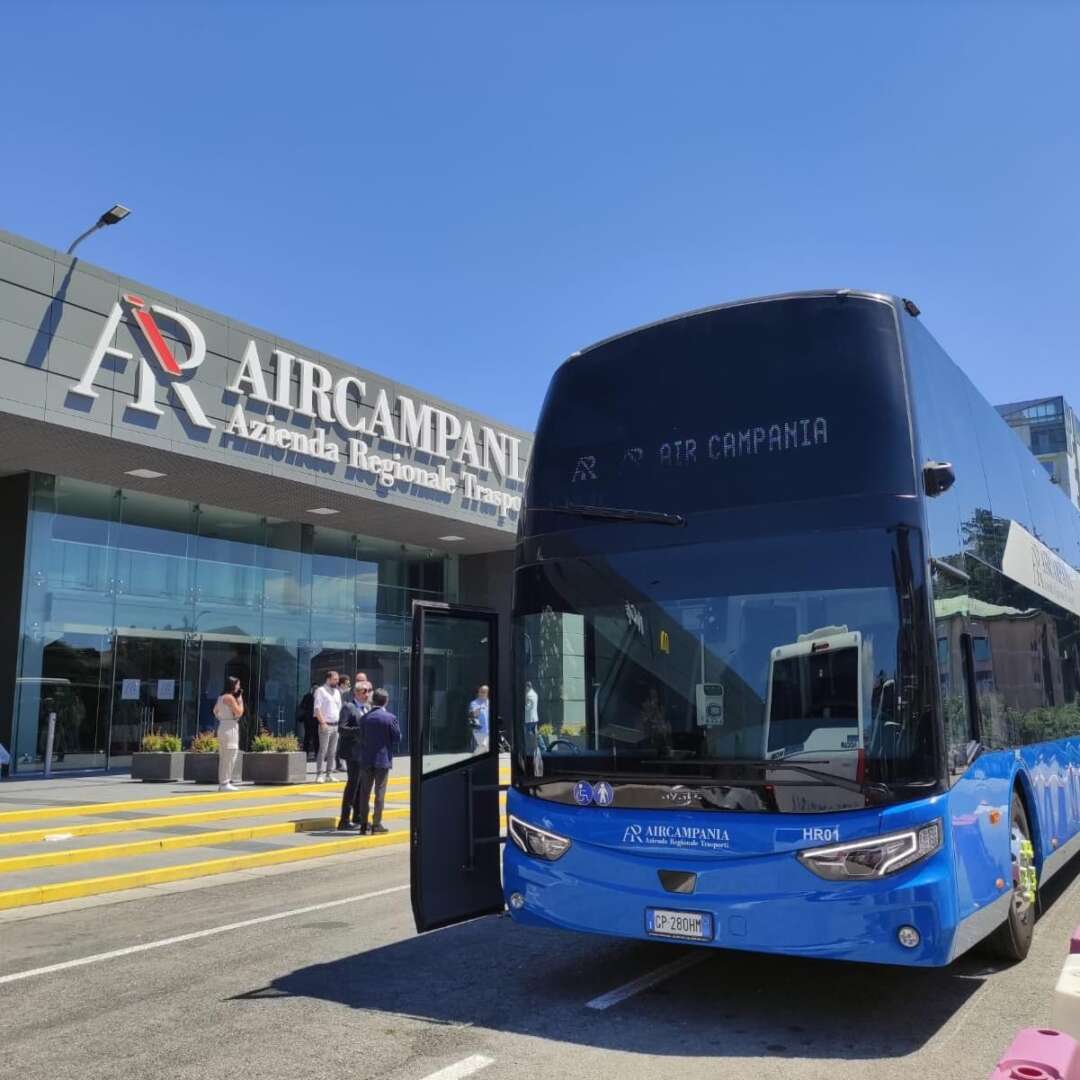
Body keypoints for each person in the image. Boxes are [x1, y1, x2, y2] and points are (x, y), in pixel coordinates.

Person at [353, 688, 400, 834]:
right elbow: (397, 738)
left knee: (364, 793)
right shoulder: (390, 718)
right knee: (380, 792)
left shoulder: (365, 718)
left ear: (373, 701)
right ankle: (376, 824)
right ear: (386, 701)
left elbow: (360, 737)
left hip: (366, 759)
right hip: (383, 759)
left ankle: (363, 824)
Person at [336, 675, 374, 830]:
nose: (368, 694)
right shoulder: (348, 707)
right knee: (353, 784)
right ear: (357, 693)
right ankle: (344, 820)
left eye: (369, 691)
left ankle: (357, 816)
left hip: (364, 752)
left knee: (361, 785)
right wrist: (359, 730)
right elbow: (342, 728)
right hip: (352, 752)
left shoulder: (367, 708)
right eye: (365, 691)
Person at [214, 676, 244, 792]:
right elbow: (239, 712)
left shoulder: (221, 697)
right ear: (232, 685)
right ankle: (225, 782)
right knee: (230, 755)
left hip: (223, 725)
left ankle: (224, 782)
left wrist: (222, 717)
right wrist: (240, 700)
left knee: (225, 755)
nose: (238, 687)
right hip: (230, 727)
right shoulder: (230, 697)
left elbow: (215, 711)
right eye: (237, 685)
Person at [313, 671, 342, 783]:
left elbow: (338, 708)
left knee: (333, 751)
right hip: (325, 725)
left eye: (337, 679)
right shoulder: (321, 691)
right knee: (323, 750)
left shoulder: (337, 692)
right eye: (335, 679)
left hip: (336, 725)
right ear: (328, 679)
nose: (337, 681)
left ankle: (329, 774)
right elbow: (317, 708)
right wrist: (322, 723)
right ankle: (319, 774)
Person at [334, 676, 352, 773]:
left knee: (340, 743)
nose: (349, 686)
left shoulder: (346, 693)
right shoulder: (337, 692)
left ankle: (340, 764)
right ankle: (338, 764)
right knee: (336, 744)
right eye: (347, 684)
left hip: (343, 720)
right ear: (342, 684)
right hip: (336, 721)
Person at [297, 683, 318, 759]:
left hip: (316, 721)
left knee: (316, 738)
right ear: (312, 689)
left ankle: (316, 753)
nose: (315, 689)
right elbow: (302, 706)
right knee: (308, 737)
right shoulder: (307, 696)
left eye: (316, 688)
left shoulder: (319, 697)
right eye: (314, 688)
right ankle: (305, 753)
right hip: (308, 720)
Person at [468, 684, 490, 753]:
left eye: (483, 692)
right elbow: (473, 715)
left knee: (486, 750)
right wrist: (475, 712)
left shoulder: (490, 703)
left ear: (487, 693)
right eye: (480, 691)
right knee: (481, 748)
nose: (481, 693)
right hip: (479, 732)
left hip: (489, 732)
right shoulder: (474, 703)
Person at [523, 680, 539, 750]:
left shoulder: (529, 695)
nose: (525, 689)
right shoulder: (535, 694)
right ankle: (541, 747)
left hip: (529, 719)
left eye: (525, 687)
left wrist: (524, 702)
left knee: (528, 734)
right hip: (535, 718)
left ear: (528, 687)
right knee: (535, 733)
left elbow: (527, 708)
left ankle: (532, 747)